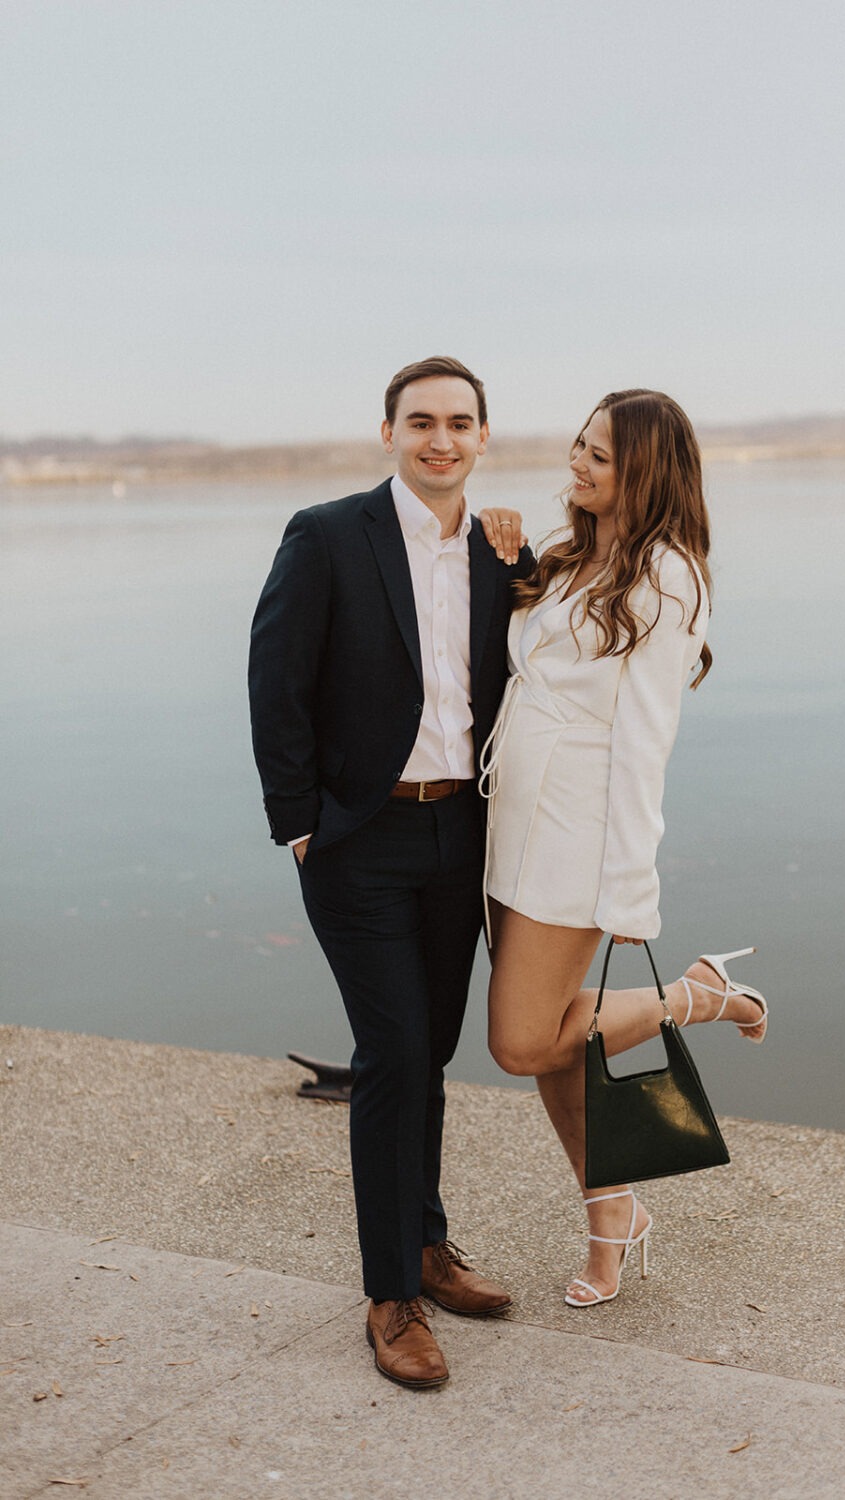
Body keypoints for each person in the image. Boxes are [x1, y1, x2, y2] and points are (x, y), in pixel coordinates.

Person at [249, 356, 532, 1388]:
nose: (441, 439)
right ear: (388, 433)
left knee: (432, 1048)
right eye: (421, 421)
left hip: (462, 837)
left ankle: (424, 1242)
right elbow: (275, 681)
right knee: (394, 1047)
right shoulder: (326, 536)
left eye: (460, 423)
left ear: (484, 437)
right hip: (359, 840)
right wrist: (300, 826)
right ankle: (389, 1295)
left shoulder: (506, 552)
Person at [480, 388, 769, 1308]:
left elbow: (646, 743)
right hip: (507, 824)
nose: (578, 463)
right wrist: (508, 559)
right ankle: (613, 1224)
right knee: (563, 1050)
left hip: (573, 837)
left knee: (525, 1043)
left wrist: (628, 889)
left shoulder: (668, 577)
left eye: (600, 456)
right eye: (579, 445)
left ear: (645, 468)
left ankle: (697, 993)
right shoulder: (573, 556)